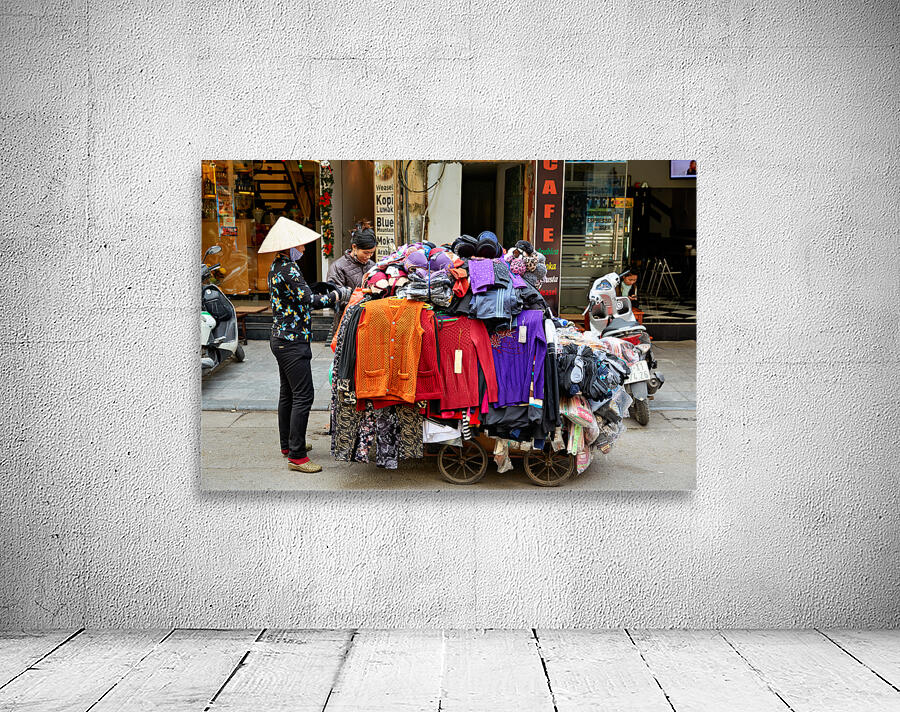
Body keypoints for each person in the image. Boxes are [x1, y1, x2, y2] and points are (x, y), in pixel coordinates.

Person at [263, 219, 351, 473]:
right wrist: (335, 296)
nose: (303, 248)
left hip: (280, 338)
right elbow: (309, 300)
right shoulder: (288, 269)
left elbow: (297, 295)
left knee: (288, 394)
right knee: (303, 395)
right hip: (292, 341)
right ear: (290, 245)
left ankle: (288, 445)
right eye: (300, 244)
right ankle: (297, 457)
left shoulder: (278, 266)